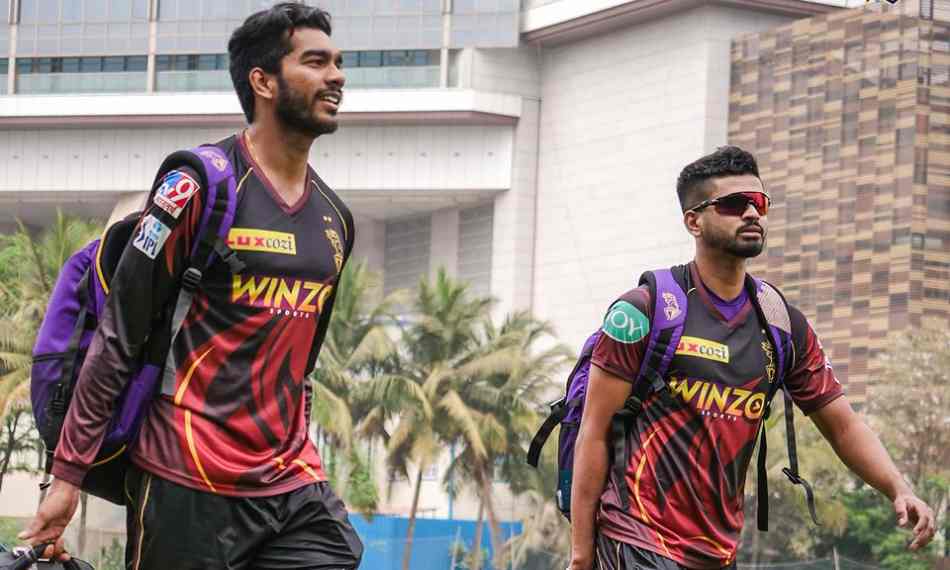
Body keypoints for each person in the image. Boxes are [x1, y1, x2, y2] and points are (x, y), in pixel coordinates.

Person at [19, 4, 363, 569]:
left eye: (338, 62)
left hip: (289, 484)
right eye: (316, 62)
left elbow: (301, 366)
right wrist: (67, 476)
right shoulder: (196, 185)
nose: (337, 76)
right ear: (263, 81)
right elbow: (119, 336)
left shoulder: (334, 219)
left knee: (338, 553)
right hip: (186, 477)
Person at [568, 146, 937, 570]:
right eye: (732, 204)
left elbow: (843, 425)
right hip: (636, 540)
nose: (750, 213)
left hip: (719, 552)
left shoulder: (781, 323)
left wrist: (899, 488)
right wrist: (581, 554)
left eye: (758, 203)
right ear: (693, 221)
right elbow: (594, 433)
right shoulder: (643, 311)